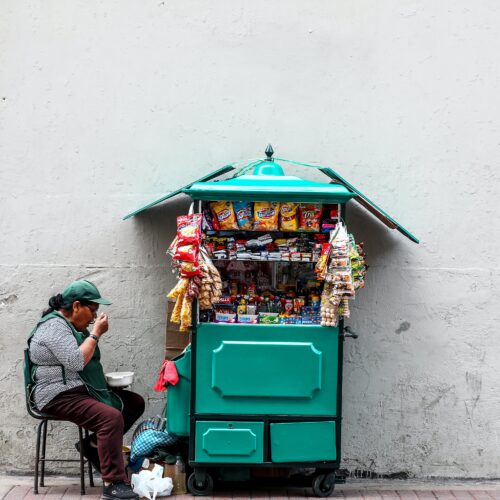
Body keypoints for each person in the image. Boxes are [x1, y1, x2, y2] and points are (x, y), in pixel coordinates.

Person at [28, 279, 144, 500]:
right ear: (76, 306)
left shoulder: (68, 326)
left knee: (133, 403)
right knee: (110, 418)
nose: (93, 318)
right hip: (56, 395)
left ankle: (91, 445)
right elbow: (76, 362)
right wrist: (96, 334)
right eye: (92, 311)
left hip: (78, 390)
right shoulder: (54, 326)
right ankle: (113, 484)